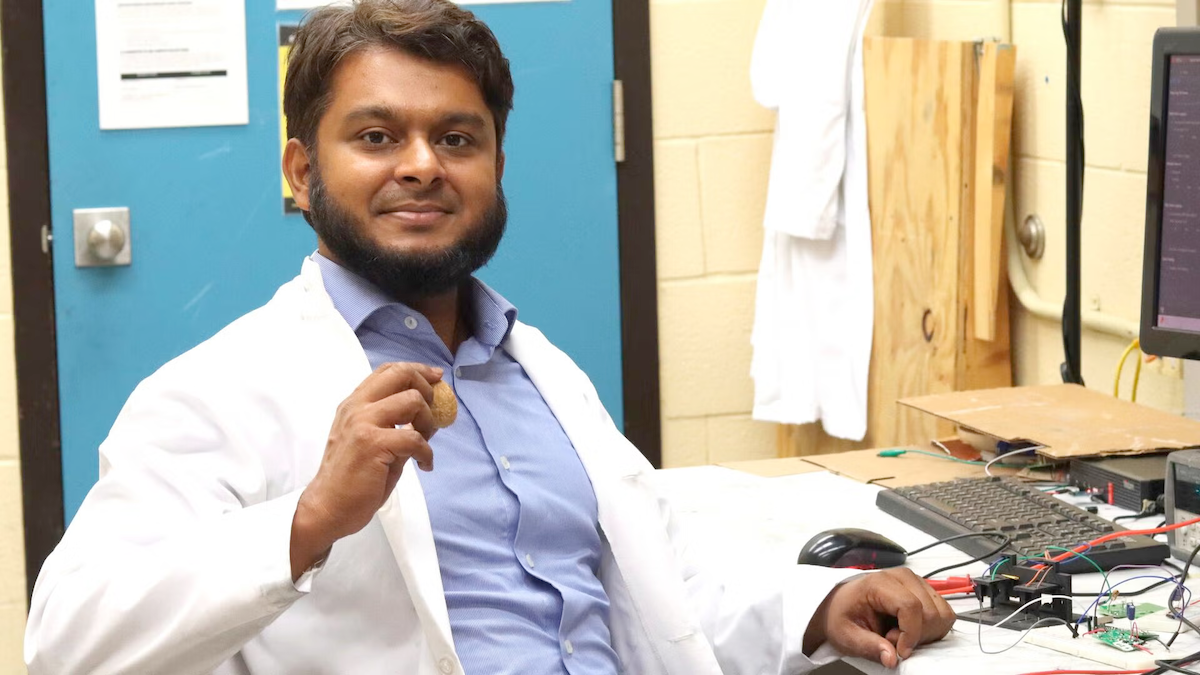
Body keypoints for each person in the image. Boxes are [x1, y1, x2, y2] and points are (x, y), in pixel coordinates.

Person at [24, 1, 955, 673]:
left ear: (498, 165)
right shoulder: (216, 392)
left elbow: (659, 586)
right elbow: (68, 640)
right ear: (302, 172)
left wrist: (817, 605)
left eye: (457, 139)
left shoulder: (540, 372)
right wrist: (308, 521)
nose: (421, 165)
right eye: (376, 136)